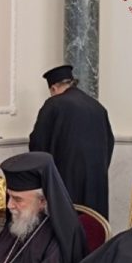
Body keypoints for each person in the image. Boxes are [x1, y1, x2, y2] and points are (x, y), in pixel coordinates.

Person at [29, 65, 114, 219]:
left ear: (54, 88)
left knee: (67, 225)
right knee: (93, 225)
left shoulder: (54, 104)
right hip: (96, 183)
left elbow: (38, 145)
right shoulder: (98, 107)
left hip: (65, 183)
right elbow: (110, 143)